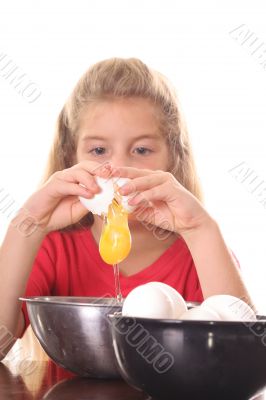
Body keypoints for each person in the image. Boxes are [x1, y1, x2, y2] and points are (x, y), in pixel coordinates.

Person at [0, 58, 252, 358]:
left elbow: (242, 356)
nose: (117, 168)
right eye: (99, 151)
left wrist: (201, 230)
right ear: (71, 157)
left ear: (173, 160)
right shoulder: (53, 248)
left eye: (142, 150)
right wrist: (28, 226)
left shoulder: (200, 253)